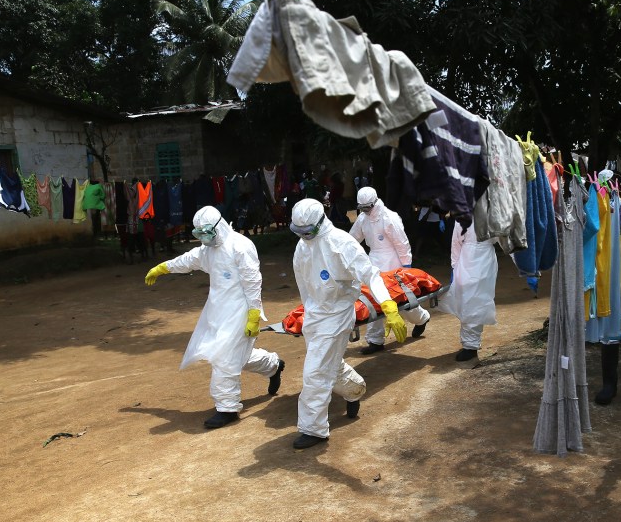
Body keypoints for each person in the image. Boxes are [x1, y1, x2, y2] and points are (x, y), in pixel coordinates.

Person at [144, 206, 285, 429]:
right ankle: (273, 365)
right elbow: (188, 260)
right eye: (199, 235)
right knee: (234, 354)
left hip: (242, 310)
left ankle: (227, 407)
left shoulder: (240, 246)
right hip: (218, 311)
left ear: (218, 226)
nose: (204, 238)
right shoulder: (207, 250)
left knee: (224, 358)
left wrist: (254, 314)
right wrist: (163, 268)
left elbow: (252, 281)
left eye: (206, 233)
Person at [289, 198, 408, 449]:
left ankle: (314, 429)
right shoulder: (303, 247)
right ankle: (354, 390)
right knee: (328, 362)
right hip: (316, 315)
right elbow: (304, 285)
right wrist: (308, 311)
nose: (303, 236)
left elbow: (370, 275)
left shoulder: (341, 244)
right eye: (299, 232)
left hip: (338, 313)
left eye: (307, 231)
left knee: (315, 372)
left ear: (320, 223)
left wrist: (388, 306)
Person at [349, 187, 430, 354]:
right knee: (373, 299)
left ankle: (421, 319)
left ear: (375, 202)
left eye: (367, 208)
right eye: (362, 208)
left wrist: (406, 268)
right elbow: (352, 239)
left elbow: (402, 244)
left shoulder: (389, 218)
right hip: (373, 262)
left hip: (393, 262)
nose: (365, 211)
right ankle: (375, 340)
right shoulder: (363, 219)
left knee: (401, 301)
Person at [438, 218, 498, 362]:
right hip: (465, 259)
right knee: (465, 301)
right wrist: (454, 266)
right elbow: (456, 242)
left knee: (477, 302)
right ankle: (470, 342)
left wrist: (526, 266)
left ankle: (471, 346)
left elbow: (507, 238)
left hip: (484, 260)